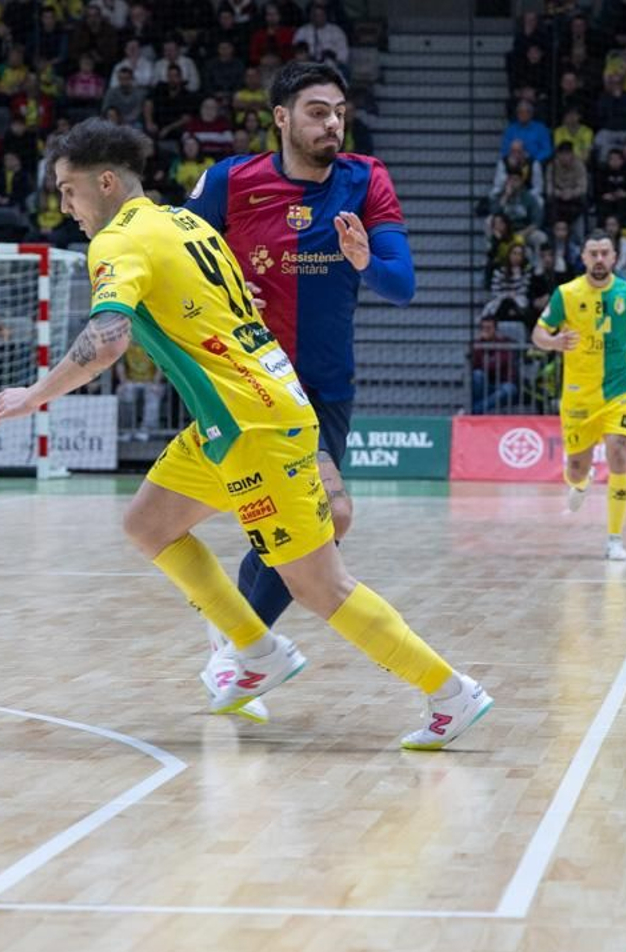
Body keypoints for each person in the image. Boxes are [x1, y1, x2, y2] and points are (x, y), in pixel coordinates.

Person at [0, 120, 491, 750]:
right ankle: (257, 650)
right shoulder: (189, 224)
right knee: (148, 524)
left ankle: (450, 692)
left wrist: (36, 394)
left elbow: (109, 339)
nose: (65, 207)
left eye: (69, 191)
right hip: (232, 416)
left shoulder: (117, 242)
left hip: (254, 422)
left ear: (106, 182)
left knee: (319, 585)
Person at [183, 61, 417, 720]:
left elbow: (403, 286)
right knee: (310, 522)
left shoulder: (365, 180)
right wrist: (220, 290)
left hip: (324, 386)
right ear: (282, 118)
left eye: (339, 110)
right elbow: (174, 260)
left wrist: (366, 260)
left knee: (304, 531)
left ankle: (236, 650)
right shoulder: (231, 181)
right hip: (243, 383)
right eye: (317, 111)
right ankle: (242, 652)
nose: (332, 123)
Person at [530, 232, 626, 562]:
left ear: (615, 257)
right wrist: (554, 342)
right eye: (594, 253)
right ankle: (580, 480)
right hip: (578, 396)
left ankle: (614, 539)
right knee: (576, 470)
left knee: (619, 453)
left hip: (618, 391)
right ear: (584, 258)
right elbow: (538, 333)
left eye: (605, 253)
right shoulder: (567, 293)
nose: (600, 259)